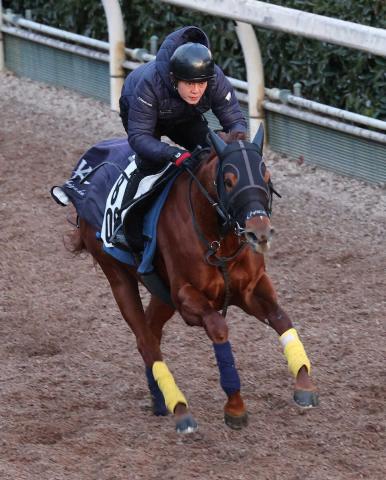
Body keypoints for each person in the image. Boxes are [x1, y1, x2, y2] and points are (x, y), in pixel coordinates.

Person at [119, 25, 248, 200]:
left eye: (201, 84)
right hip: (143, 112)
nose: (196, 91)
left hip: (184, 116)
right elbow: (139, 136)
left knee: (210, 151)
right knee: (150, 163)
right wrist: (173, 153)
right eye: (189, 83)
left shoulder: (215, 79)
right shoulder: (149, 84)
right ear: (174, 79)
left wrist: (237, 144)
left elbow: (234, 121)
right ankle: (123, 217)